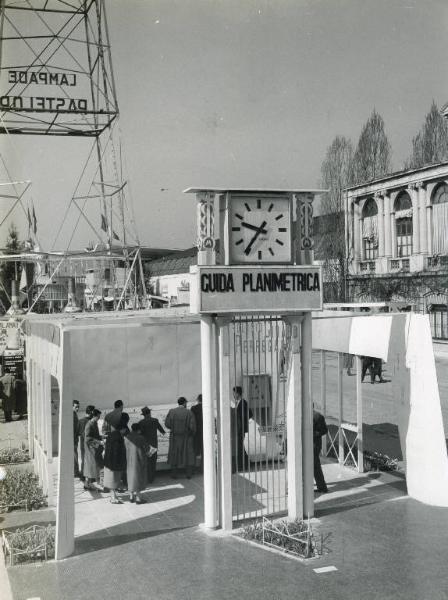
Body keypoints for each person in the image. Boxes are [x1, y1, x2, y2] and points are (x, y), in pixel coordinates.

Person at [165, 397, 196, 479]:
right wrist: (191, 434)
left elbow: (167, 424)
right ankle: (188, 475)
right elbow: (192, 427)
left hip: (174, 437)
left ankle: (174, 475)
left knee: (174, 454)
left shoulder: (172, 411)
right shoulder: (189, 412)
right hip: (186, 437)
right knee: (188, 455)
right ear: (185, 403)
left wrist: (174, 427)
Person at [103, 413, 129, 504]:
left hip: (108, 462)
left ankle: (113, 496)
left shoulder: (112, 435)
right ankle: (113, 498)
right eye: (124, 429)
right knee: (113, 480)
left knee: (112, 480)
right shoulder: (118, 438)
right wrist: (119, 463)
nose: (125, 431)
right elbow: (116, 452)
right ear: (122, 429)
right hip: (113, 463)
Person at [138, 406, 165, 483]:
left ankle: (146, 477)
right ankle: (151, 478)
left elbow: (140, 434)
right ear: (149, 413)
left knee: (146, 461)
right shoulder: (155, 420)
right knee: (153, 461)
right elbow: (162, 432)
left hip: (145, 445)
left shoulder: (141, 423)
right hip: (154, 445)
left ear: (143, 415)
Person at [124, 423, 148, 503]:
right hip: (138, 460)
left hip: (129, 460)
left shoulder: (127, 437)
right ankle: (138, 498)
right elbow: (146, 448)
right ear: (139, 429)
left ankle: (131, 496)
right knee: (138, 478)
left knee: (130, 477)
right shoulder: (140, 437)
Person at [231, 386, 253, 472]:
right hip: (238, 428)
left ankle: (244, 464)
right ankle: (246, 464)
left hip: (240, 429)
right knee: (240, 447)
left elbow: (249, 414)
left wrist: (242, 422)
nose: (233, 395)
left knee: (239, 447)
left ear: (237, 393)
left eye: (234, 393)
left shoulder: (243, 403)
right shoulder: (238, 403)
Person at [83, 408, 104, 491]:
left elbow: (96, 435)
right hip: (90, 449)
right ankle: (91, 483)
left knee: (90, 467)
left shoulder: (94, 423)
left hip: (93, 448)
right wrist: (99, 442)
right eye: (98, 417)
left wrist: (102, 437)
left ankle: (87, 483)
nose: (99, 418)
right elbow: (87, 439)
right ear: (95, 416)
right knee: (91, 466)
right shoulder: (89, 425)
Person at [313, 406, 329, 494]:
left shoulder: (318, 416)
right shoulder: (303, 415)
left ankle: (322, 487)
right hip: (312, 444)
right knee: (315, 466)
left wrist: (311, 433)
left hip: (314, 445)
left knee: (315, 466)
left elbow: (324, 430)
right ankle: (321, 487)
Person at [78, 405, 95, 482]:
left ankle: (83, 476)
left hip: (82, 444)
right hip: (89, 444)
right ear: (91, 412)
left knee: (83, 460)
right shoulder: (90, 421)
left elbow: (78, 432)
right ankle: (90, 478)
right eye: (93, 412)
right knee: (90, 461)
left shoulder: (80, 421)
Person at [190, 394, 203, 472]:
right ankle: (203, 468)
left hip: (196, 433)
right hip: (205, 433)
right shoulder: (207, 407)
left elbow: (192, 422)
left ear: (198, 400)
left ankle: (193, 469)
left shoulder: (193, 408)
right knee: (204, 451)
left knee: (194, 451)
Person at [73, 400, 80, 478]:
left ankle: (76, 472)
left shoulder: (74, 414)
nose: (77, 408)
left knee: (75, 455)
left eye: (78, 407)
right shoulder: (72, 415)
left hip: (75, 439)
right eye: (76, 407)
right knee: (74, 456)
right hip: (73, 439)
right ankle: (76, 472)